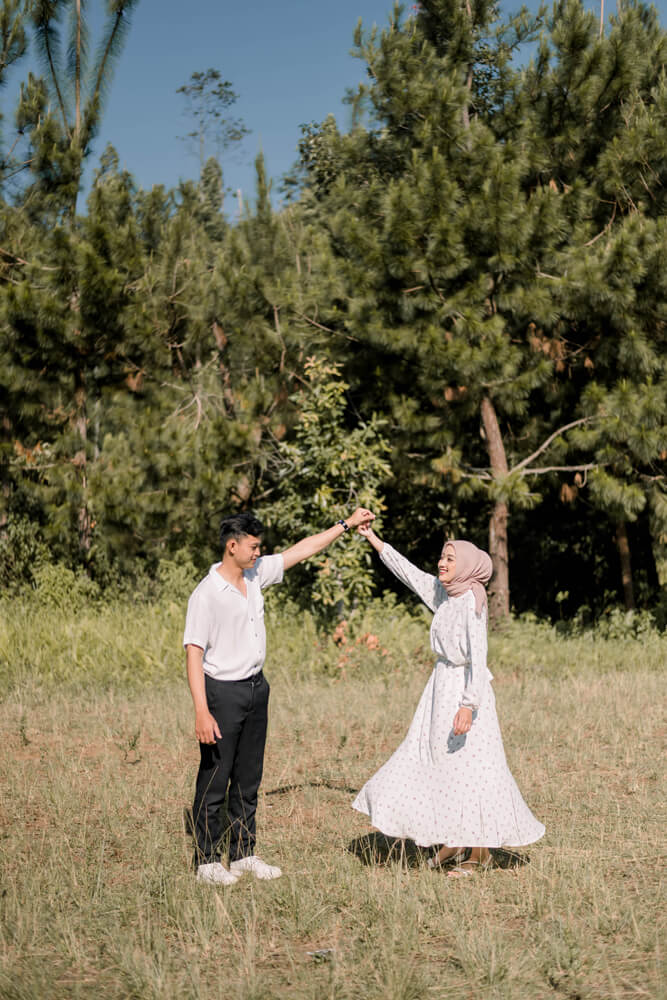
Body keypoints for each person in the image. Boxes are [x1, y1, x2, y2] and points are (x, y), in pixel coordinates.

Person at [184, 506, 375, 885]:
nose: (259, 553)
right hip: (222, 692)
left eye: (260, 548)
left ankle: (243, 853)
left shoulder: (254, 574)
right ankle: (206, 861)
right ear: (232, 546)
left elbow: (301, 551)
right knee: (215, 778)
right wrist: (201, 712)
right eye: (253, 547)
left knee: (248, 778)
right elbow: (193, 653)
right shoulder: (207, 594)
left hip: (257, 688)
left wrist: (345, 525)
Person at [352, 526, 545, 877]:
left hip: (464, 689)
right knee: (440, 764)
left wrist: (468, 705)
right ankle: (454, 839)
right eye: (442, 557)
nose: (442, 563)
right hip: (439, 688)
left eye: (450, 559)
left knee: (473, 770)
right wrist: (374, 539)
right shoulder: (445, 594)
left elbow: (479, 658)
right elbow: (408, 573)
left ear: (466, 565)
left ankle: (479, 852)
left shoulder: (471, 601)